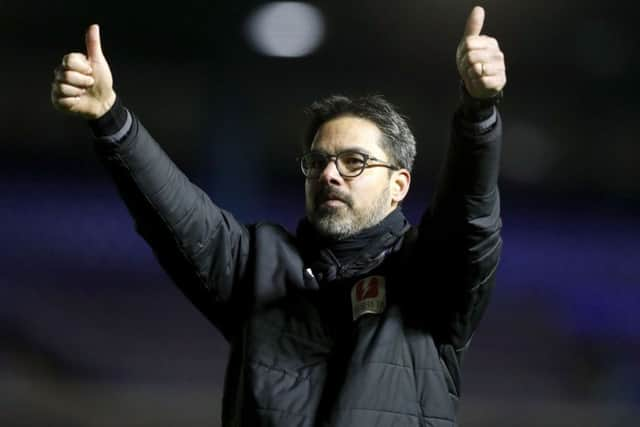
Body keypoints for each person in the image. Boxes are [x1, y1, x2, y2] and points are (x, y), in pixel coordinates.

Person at [51, 5, 506, 426]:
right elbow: (175, 215)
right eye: (318, 162)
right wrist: (110, 119)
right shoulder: (259, 264)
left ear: (398, 186)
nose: (330, 174)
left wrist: (477, 113)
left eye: (354, 162)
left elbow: (468, 221)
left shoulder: (430, 276)